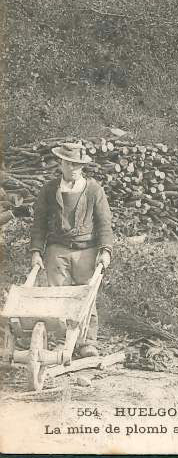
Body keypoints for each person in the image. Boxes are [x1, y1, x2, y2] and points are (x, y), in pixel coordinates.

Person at [30, 141, 114, 358]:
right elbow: (38, 223)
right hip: (57, 251)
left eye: (77, 165)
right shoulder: (49, 190)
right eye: (69, 164)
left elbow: (104, 222)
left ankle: (87, 342)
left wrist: (105, 250)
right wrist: (36, 252)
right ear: (61, 164)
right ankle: (60, 342)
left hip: (86, 250)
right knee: (58, 298)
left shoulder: (94, 190)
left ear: (82, 166)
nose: (73, 169)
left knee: (86, 296)